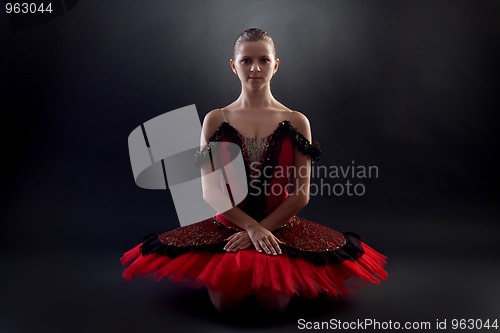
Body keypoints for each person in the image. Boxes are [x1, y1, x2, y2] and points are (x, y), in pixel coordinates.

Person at [120, 28, 388, 314]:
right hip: (228, 226)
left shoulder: (297, 122)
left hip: (281, 226)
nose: (255, 68)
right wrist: (250, 228)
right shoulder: (215, 119)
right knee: (227, 304)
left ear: (276, 64)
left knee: (272, 306)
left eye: (263, 60)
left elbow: (301, 195)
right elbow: (209, 191)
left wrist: (262, 231)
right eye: (246, 60)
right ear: (234, 66)